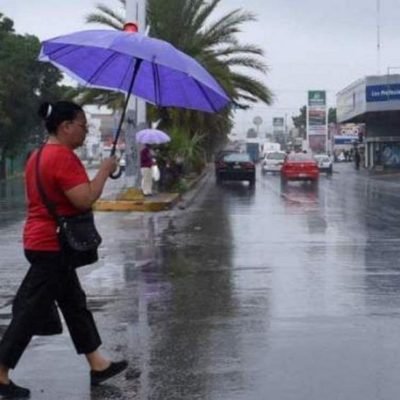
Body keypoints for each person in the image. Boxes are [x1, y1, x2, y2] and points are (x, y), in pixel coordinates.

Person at [0, 101, 138, 398]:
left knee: (74, 302)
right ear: (65, 127)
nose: (85, 132)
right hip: (52, 245)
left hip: (40, 240)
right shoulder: (62, 157)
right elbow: (84, 199)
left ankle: (98, 364)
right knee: (28, 311)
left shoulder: (37, 156)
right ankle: (0, 372)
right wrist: (104, 170)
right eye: (82, 126)